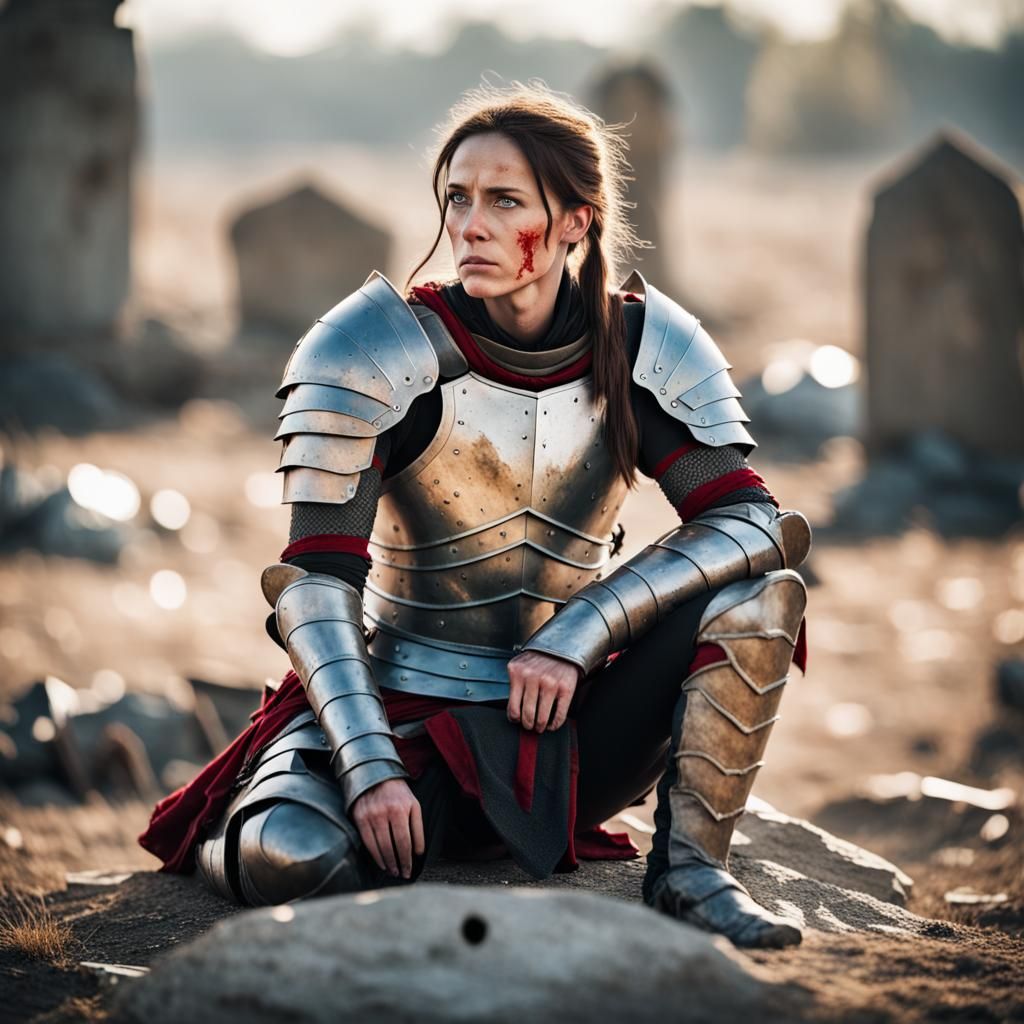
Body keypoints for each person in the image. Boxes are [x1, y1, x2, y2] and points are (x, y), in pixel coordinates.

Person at [139, 84, 810, 950]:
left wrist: (581, 632)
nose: (471, 225)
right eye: (457, 198)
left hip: (563, 730)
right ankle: (266, 815)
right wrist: (368, 767)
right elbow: (316, 580)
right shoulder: (375, 350)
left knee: (763, 596)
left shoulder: (646, 347)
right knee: (292, 856)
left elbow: (755, 522)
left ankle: (691, 873)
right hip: (404, 715)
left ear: (575, 221)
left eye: (504, 201)